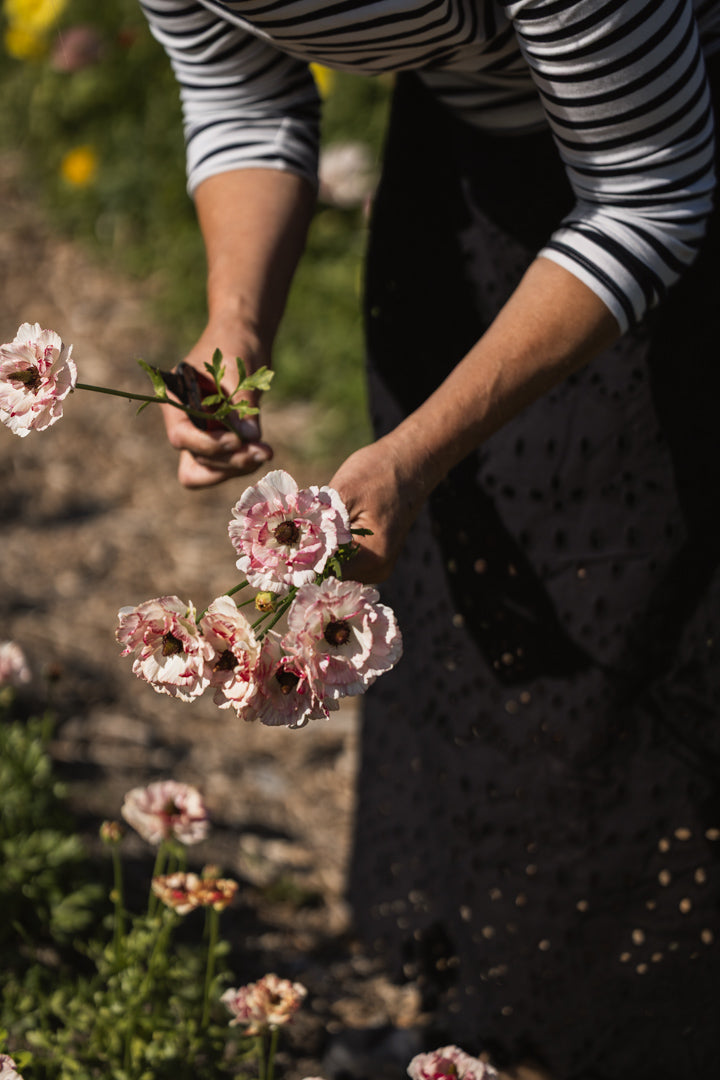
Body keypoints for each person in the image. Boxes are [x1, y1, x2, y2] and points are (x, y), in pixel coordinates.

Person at [141, 2, 720, 1077]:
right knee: (454, 607)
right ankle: (487, 1018)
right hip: (462, 149)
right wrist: (236, 323)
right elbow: (243, 95)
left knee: (625, 625)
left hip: (662, 164)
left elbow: (651, 189)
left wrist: (413, 457)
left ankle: (623, 1036)